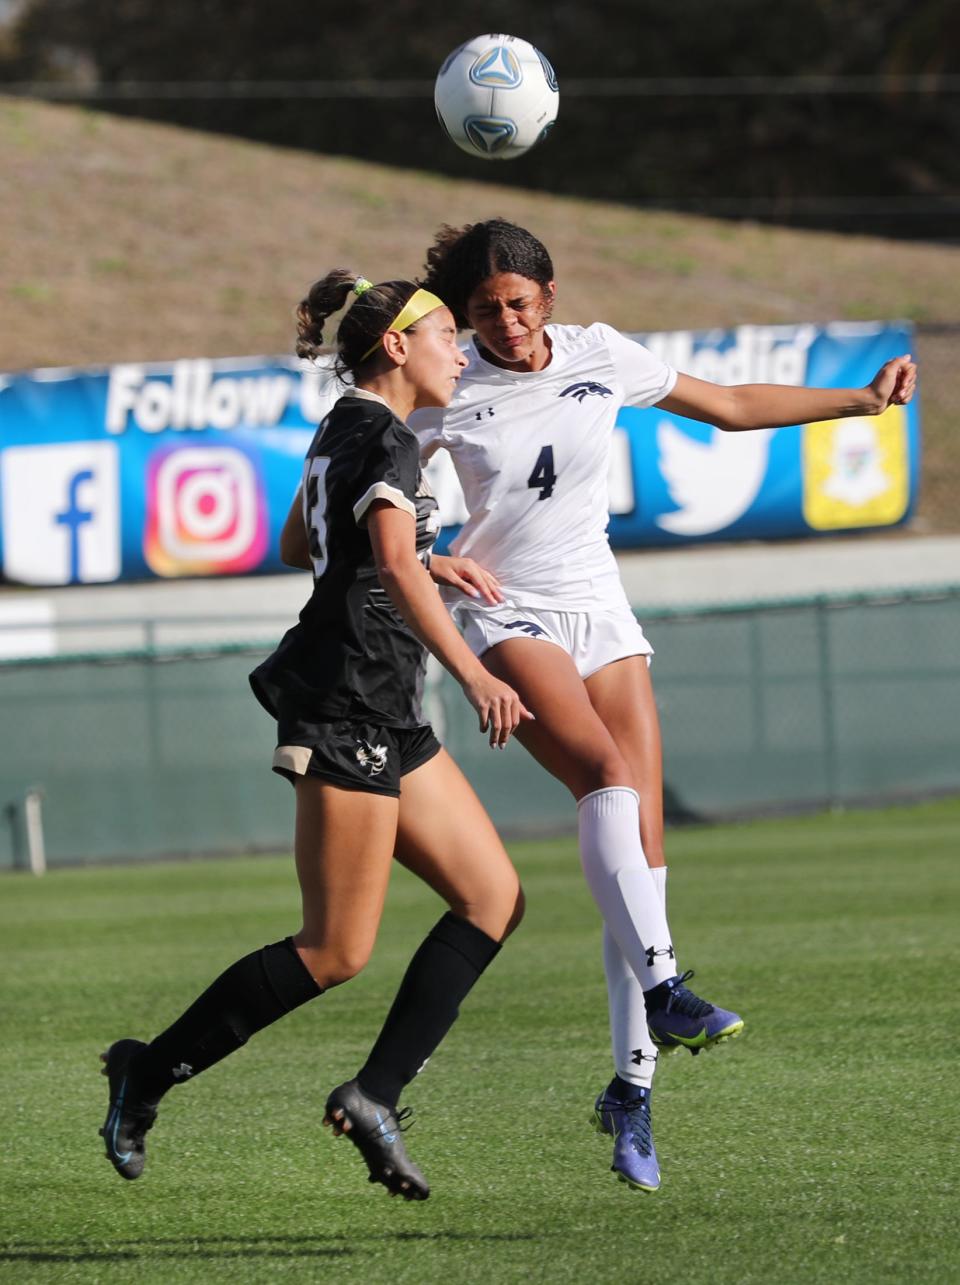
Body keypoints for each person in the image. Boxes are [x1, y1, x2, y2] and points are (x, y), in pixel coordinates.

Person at [409, 218, 918, 1193]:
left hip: (600, 605)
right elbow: (367, 502)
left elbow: (725, 403)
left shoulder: (600, 353)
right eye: (485, 311)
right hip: (504, 610)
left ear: (548, 297)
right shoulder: (445, 385)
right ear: (464, 318)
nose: (506, 324)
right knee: (605, 776)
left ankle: (631, 1089)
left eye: (519, 303)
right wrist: (426, 555)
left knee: (641, 856)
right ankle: (668, 988)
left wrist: (859, 402)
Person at [99, 270, 532, 1203]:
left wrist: (423, 552)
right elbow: (377, 559)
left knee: (493, 895)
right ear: (397, 348)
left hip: (382, 705)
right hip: (346, 703)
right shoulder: (387, 435)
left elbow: (306, 541)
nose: (463, 349)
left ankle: (375, 1095)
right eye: (449, 333)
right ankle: (148, 1070)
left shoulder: (346, 426)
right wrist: (476, 669)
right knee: (336, 950)